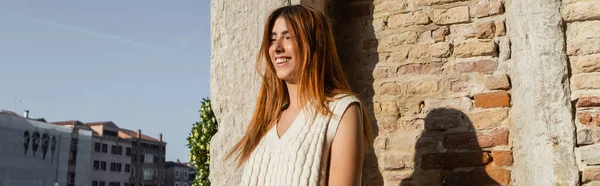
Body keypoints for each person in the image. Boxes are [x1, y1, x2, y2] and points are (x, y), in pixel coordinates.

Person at [225, 4, 373, 186]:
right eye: (272, 40)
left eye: (288, 38)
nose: (276, 48)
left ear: (313, 44)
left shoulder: (341, 111)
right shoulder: (267, 119)